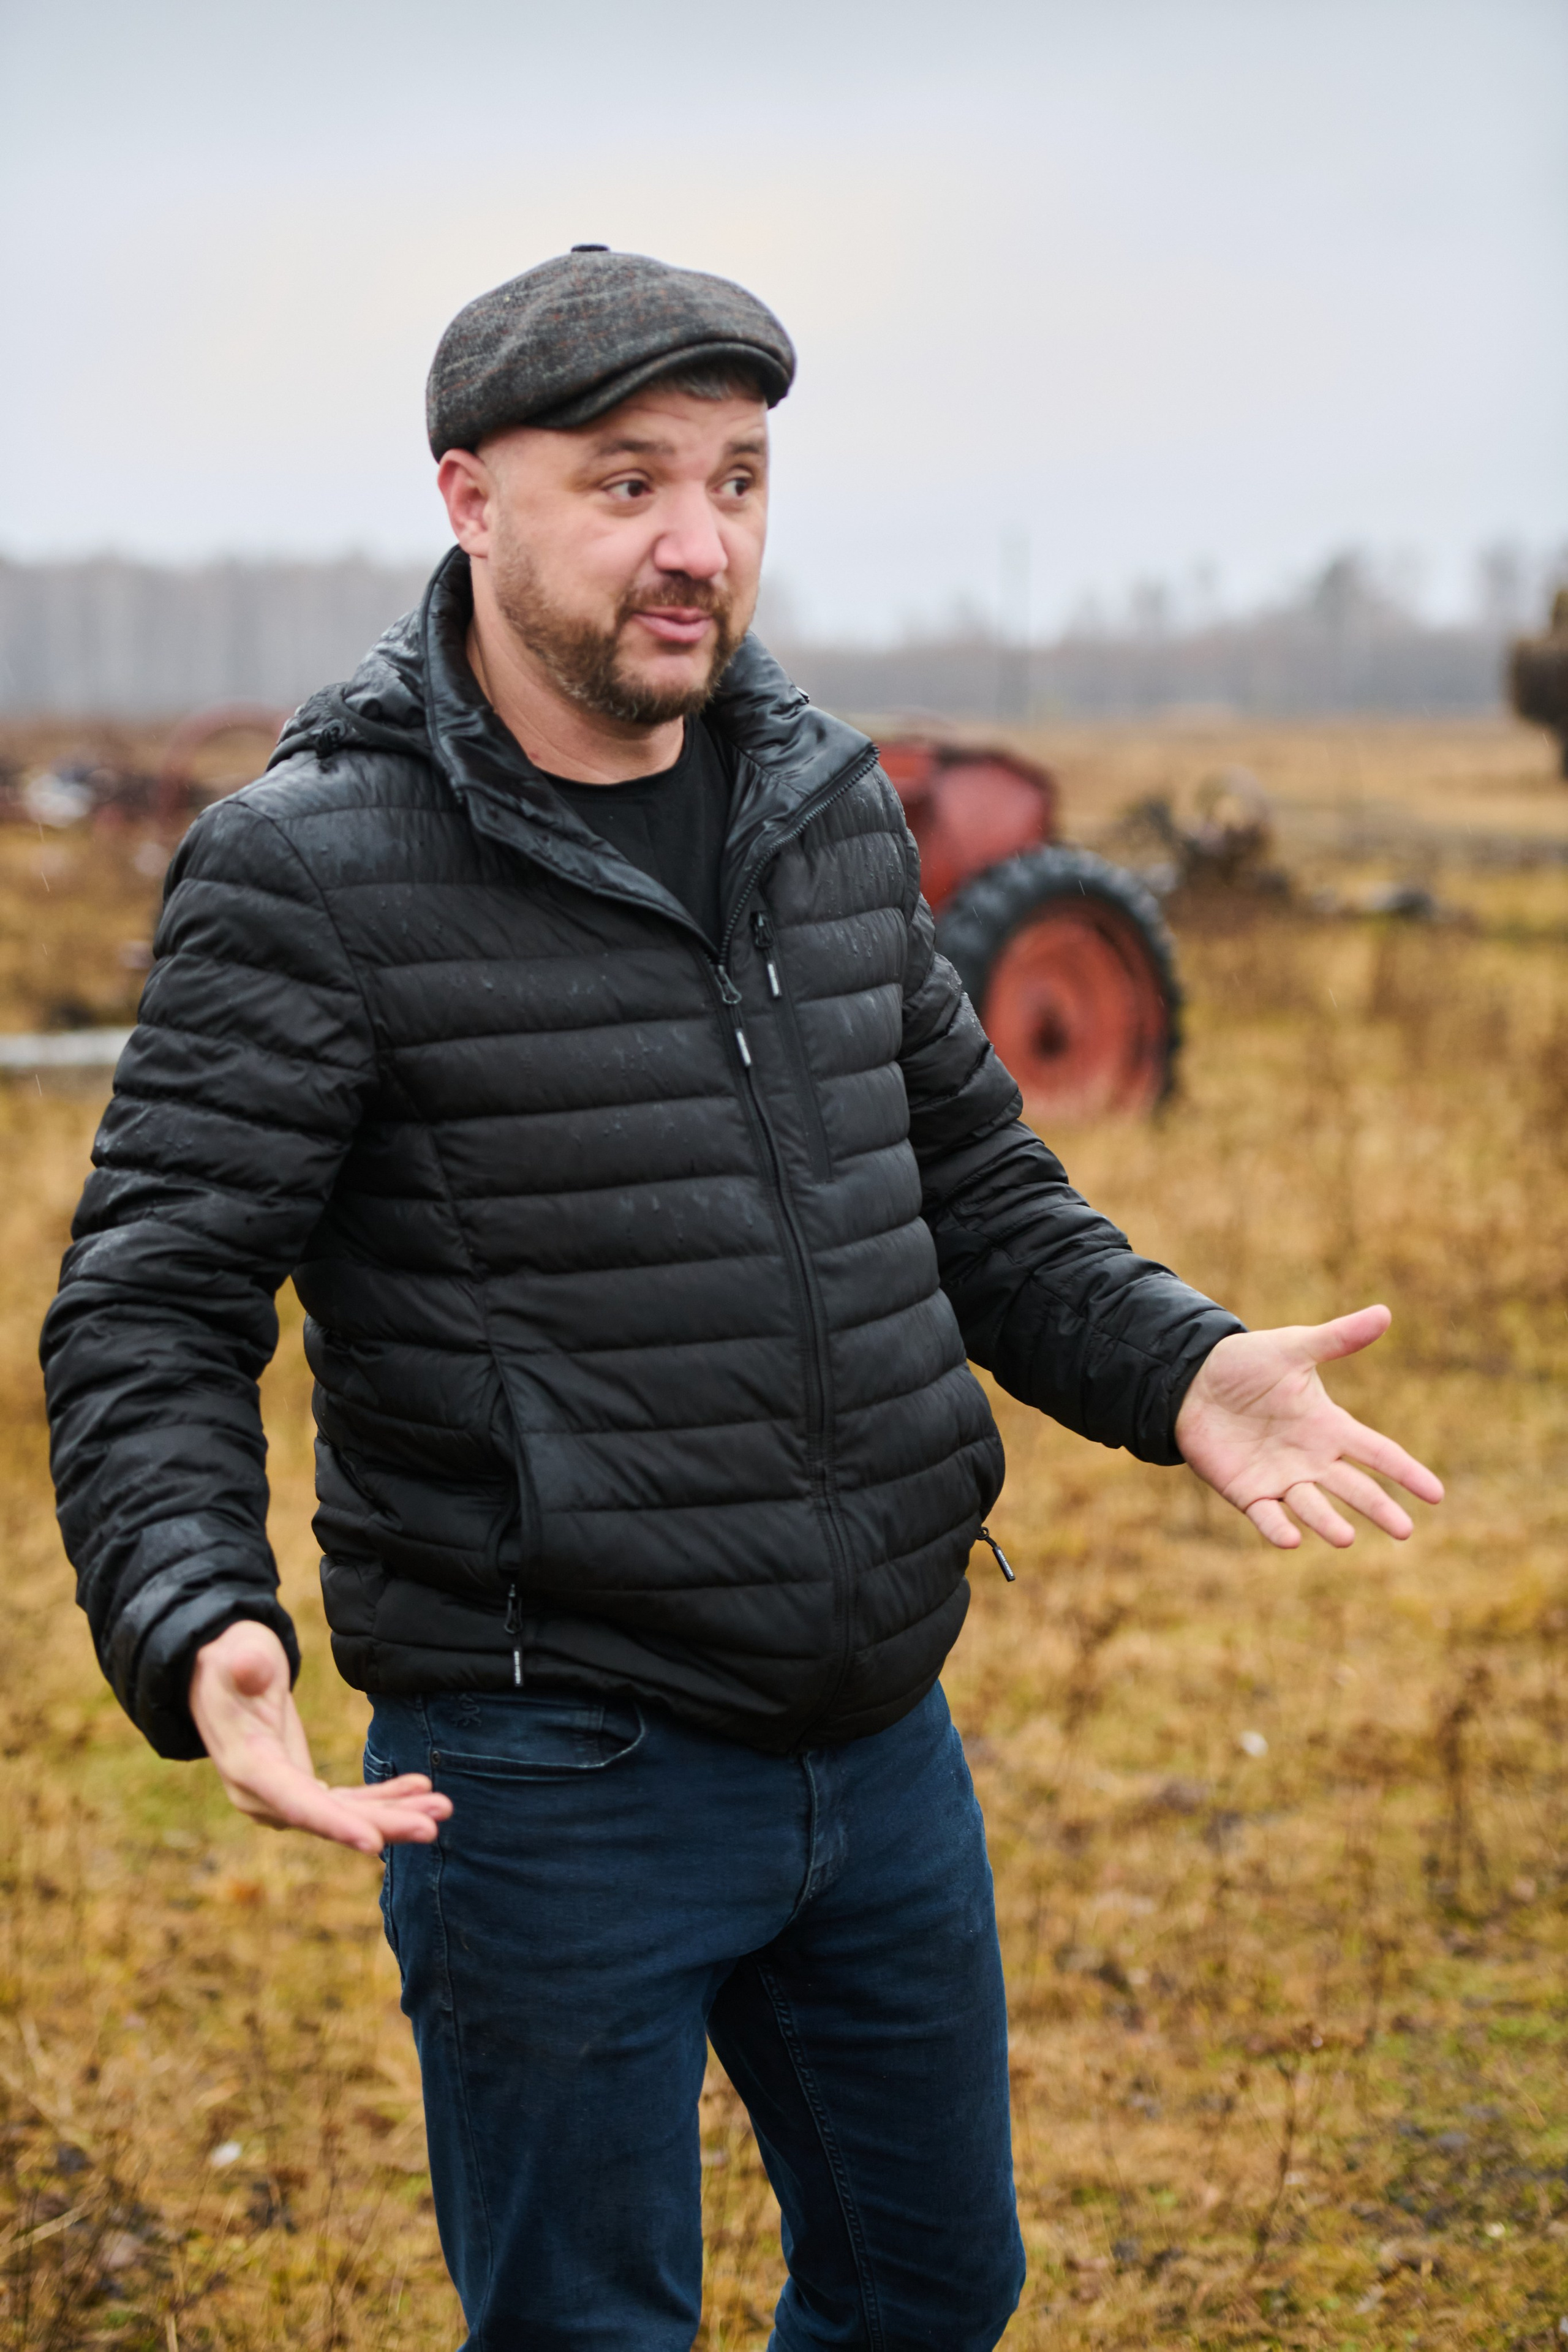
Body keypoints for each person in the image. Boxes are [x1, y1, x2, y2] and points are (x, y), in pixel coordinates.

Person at [41, 248, 1442, 2352]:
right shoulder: (309, 872)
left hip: (879, 1748)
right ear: (468, 501)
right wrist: (198, 1614)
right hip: (549, 1773)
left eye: (739, 479)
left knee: (930, 2289)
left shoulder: (821, 816)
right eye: (626, 485)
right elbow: (152, 1301)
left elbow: (969, 1185)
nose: (699, 543)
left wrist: (1183, 1367)